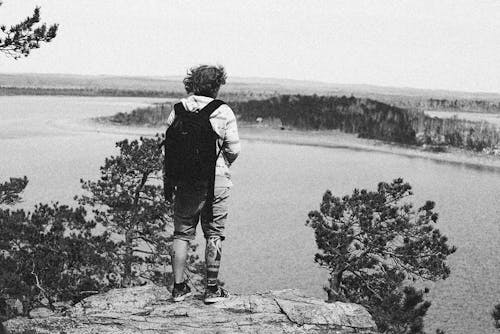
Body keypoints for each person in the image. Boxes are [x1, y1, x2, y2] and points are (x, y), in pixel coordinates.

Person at [165, 65, 240, 303]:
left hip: (186, 180)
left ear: (193, 84)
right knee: (214, 233)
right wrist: (222, 164)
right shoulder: (223, 111)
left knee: (182, 233)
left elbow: (169, 147)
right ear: (217, 85)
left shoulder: (178, 108)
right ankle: (211, 290)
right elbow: (234, 149)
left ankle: (178, 288)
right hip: (216, 179)